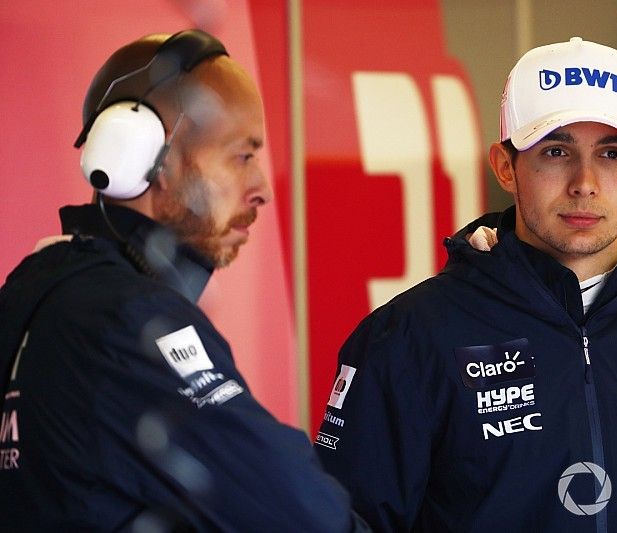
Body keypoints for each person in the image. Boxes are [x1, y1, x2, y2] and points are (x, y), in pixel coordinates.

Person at [315, 37, 617, 531]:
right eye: (556, 150)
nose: (584, 182)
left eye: (611, 153)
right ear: (506, 166)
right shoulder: (409, 337)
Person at [0, 30, 367, 531]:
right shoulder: (129, 320)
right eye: (242, 155)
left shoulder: (32, 290)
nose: (261, 188)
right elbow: (304, 514)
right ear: (150, 158)